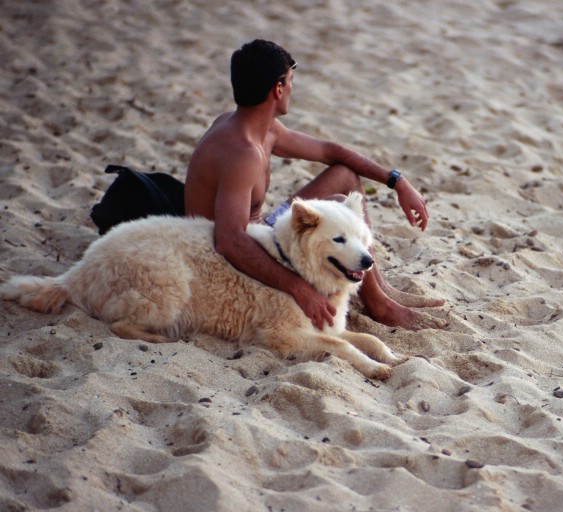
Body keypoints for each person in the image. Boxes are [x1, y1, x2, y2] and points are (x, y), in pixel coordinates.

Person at [184, 39, 444, 331]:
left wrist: (397, 182)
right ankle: (379, 305)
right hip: (236, 258)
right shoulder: (242, 153)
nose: (293, 89)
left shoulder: (256, 126)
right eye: (292, 81)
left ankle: (379, 291)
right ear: (278, 88)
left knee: (344, 178)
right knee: (334, 204)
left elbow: (332, 152)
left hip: (261, 232)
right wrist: (299, 288)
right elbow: (228, 241)